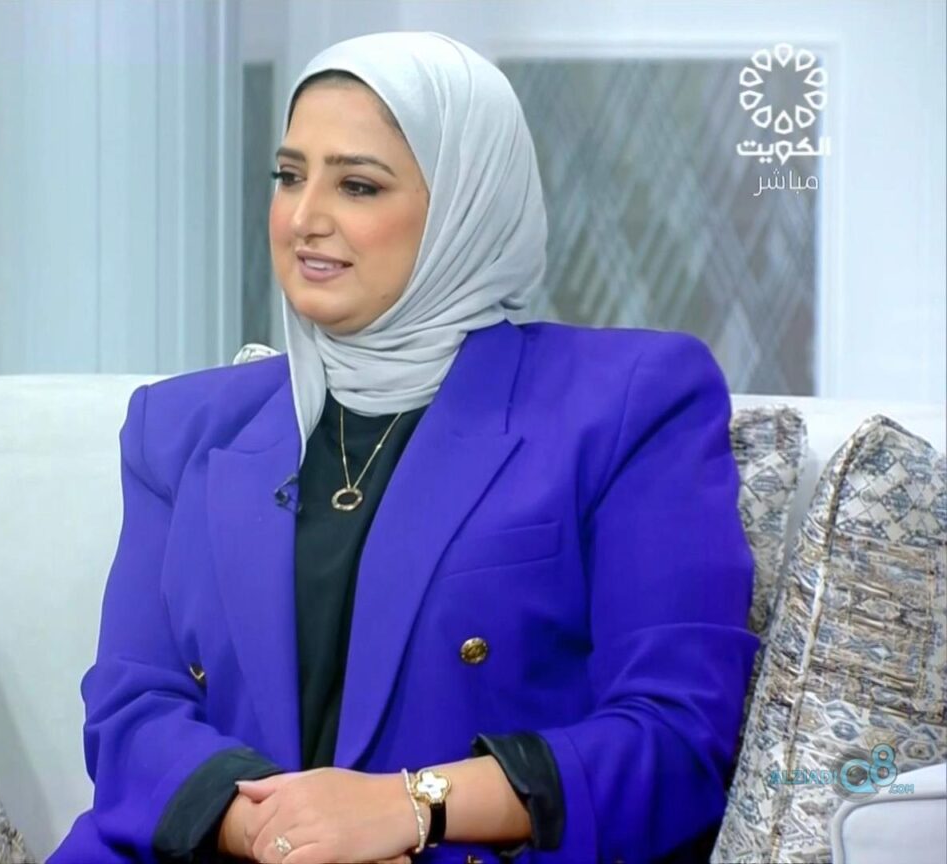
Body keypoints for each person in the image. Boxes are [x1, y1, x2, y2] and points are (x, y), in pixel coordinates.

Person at [49, 31, 757, 864]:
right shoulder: (180, 426)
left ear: (465, 205)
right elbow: (132, 710)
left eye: (357, 184)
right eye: (289, 176)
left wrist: (410, 806)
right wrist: (278, 834)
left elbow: (672, 737)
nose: (304, 219)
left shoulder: (628, 402)